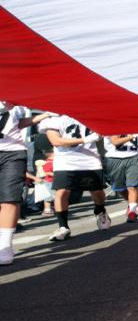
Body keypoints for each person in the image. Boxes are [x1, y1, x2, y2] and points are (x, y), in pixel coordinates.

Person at [39, 114, 111, 241]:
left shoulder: (89, 113)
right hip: (65, 161)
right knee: (61, 192)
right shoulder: (53, 118)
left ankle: (100, 211)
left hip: (89, 159)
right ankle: (63, 227)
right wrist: (84, 140)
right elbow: (56, 141)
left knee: (97, 191)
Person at [0, 103, 51, 264]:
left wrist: (44, 115)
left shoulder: (17, 96)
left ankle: (5, 244)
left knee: (10, 197)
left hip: (13, 152)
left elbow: (18, 123)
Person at [105, 133, 138, 223]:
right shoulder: (113, 124)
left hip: (133, 157)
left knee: (132, 186)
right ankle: (131, 203)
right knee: (120, 188)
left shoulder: (133, 123)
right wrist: (131, 136)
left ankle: (132, 211)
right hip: (114, 158)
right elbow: (115, 141)